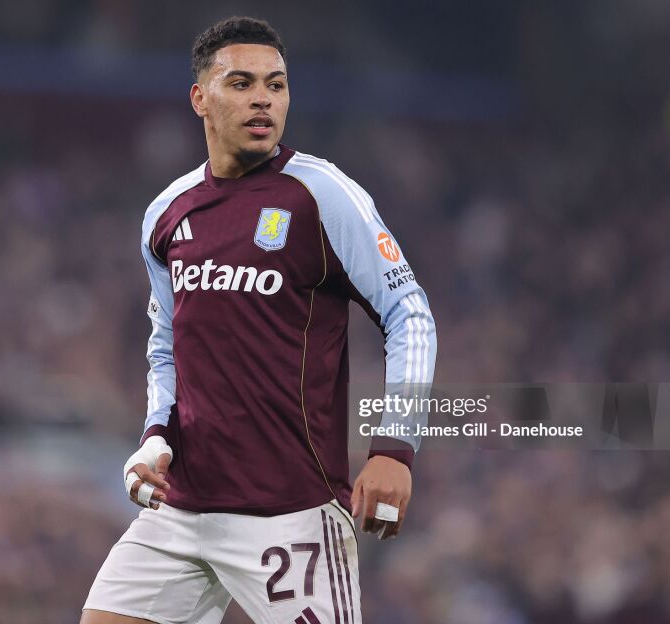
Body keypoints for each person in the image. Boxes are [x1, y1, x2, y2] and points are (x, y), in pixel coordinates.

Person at [82, 16, 436, 624]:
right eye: (241, 83)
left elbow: (410, 314)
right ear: (200, 98)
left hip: (289, 514)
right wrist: (155, 436)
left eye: (276, 85)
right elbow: (166, 345)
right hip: (181, 509)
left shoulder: (322, 195)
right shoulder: (168, 213)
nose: (263, 99)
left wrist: (394, 448)